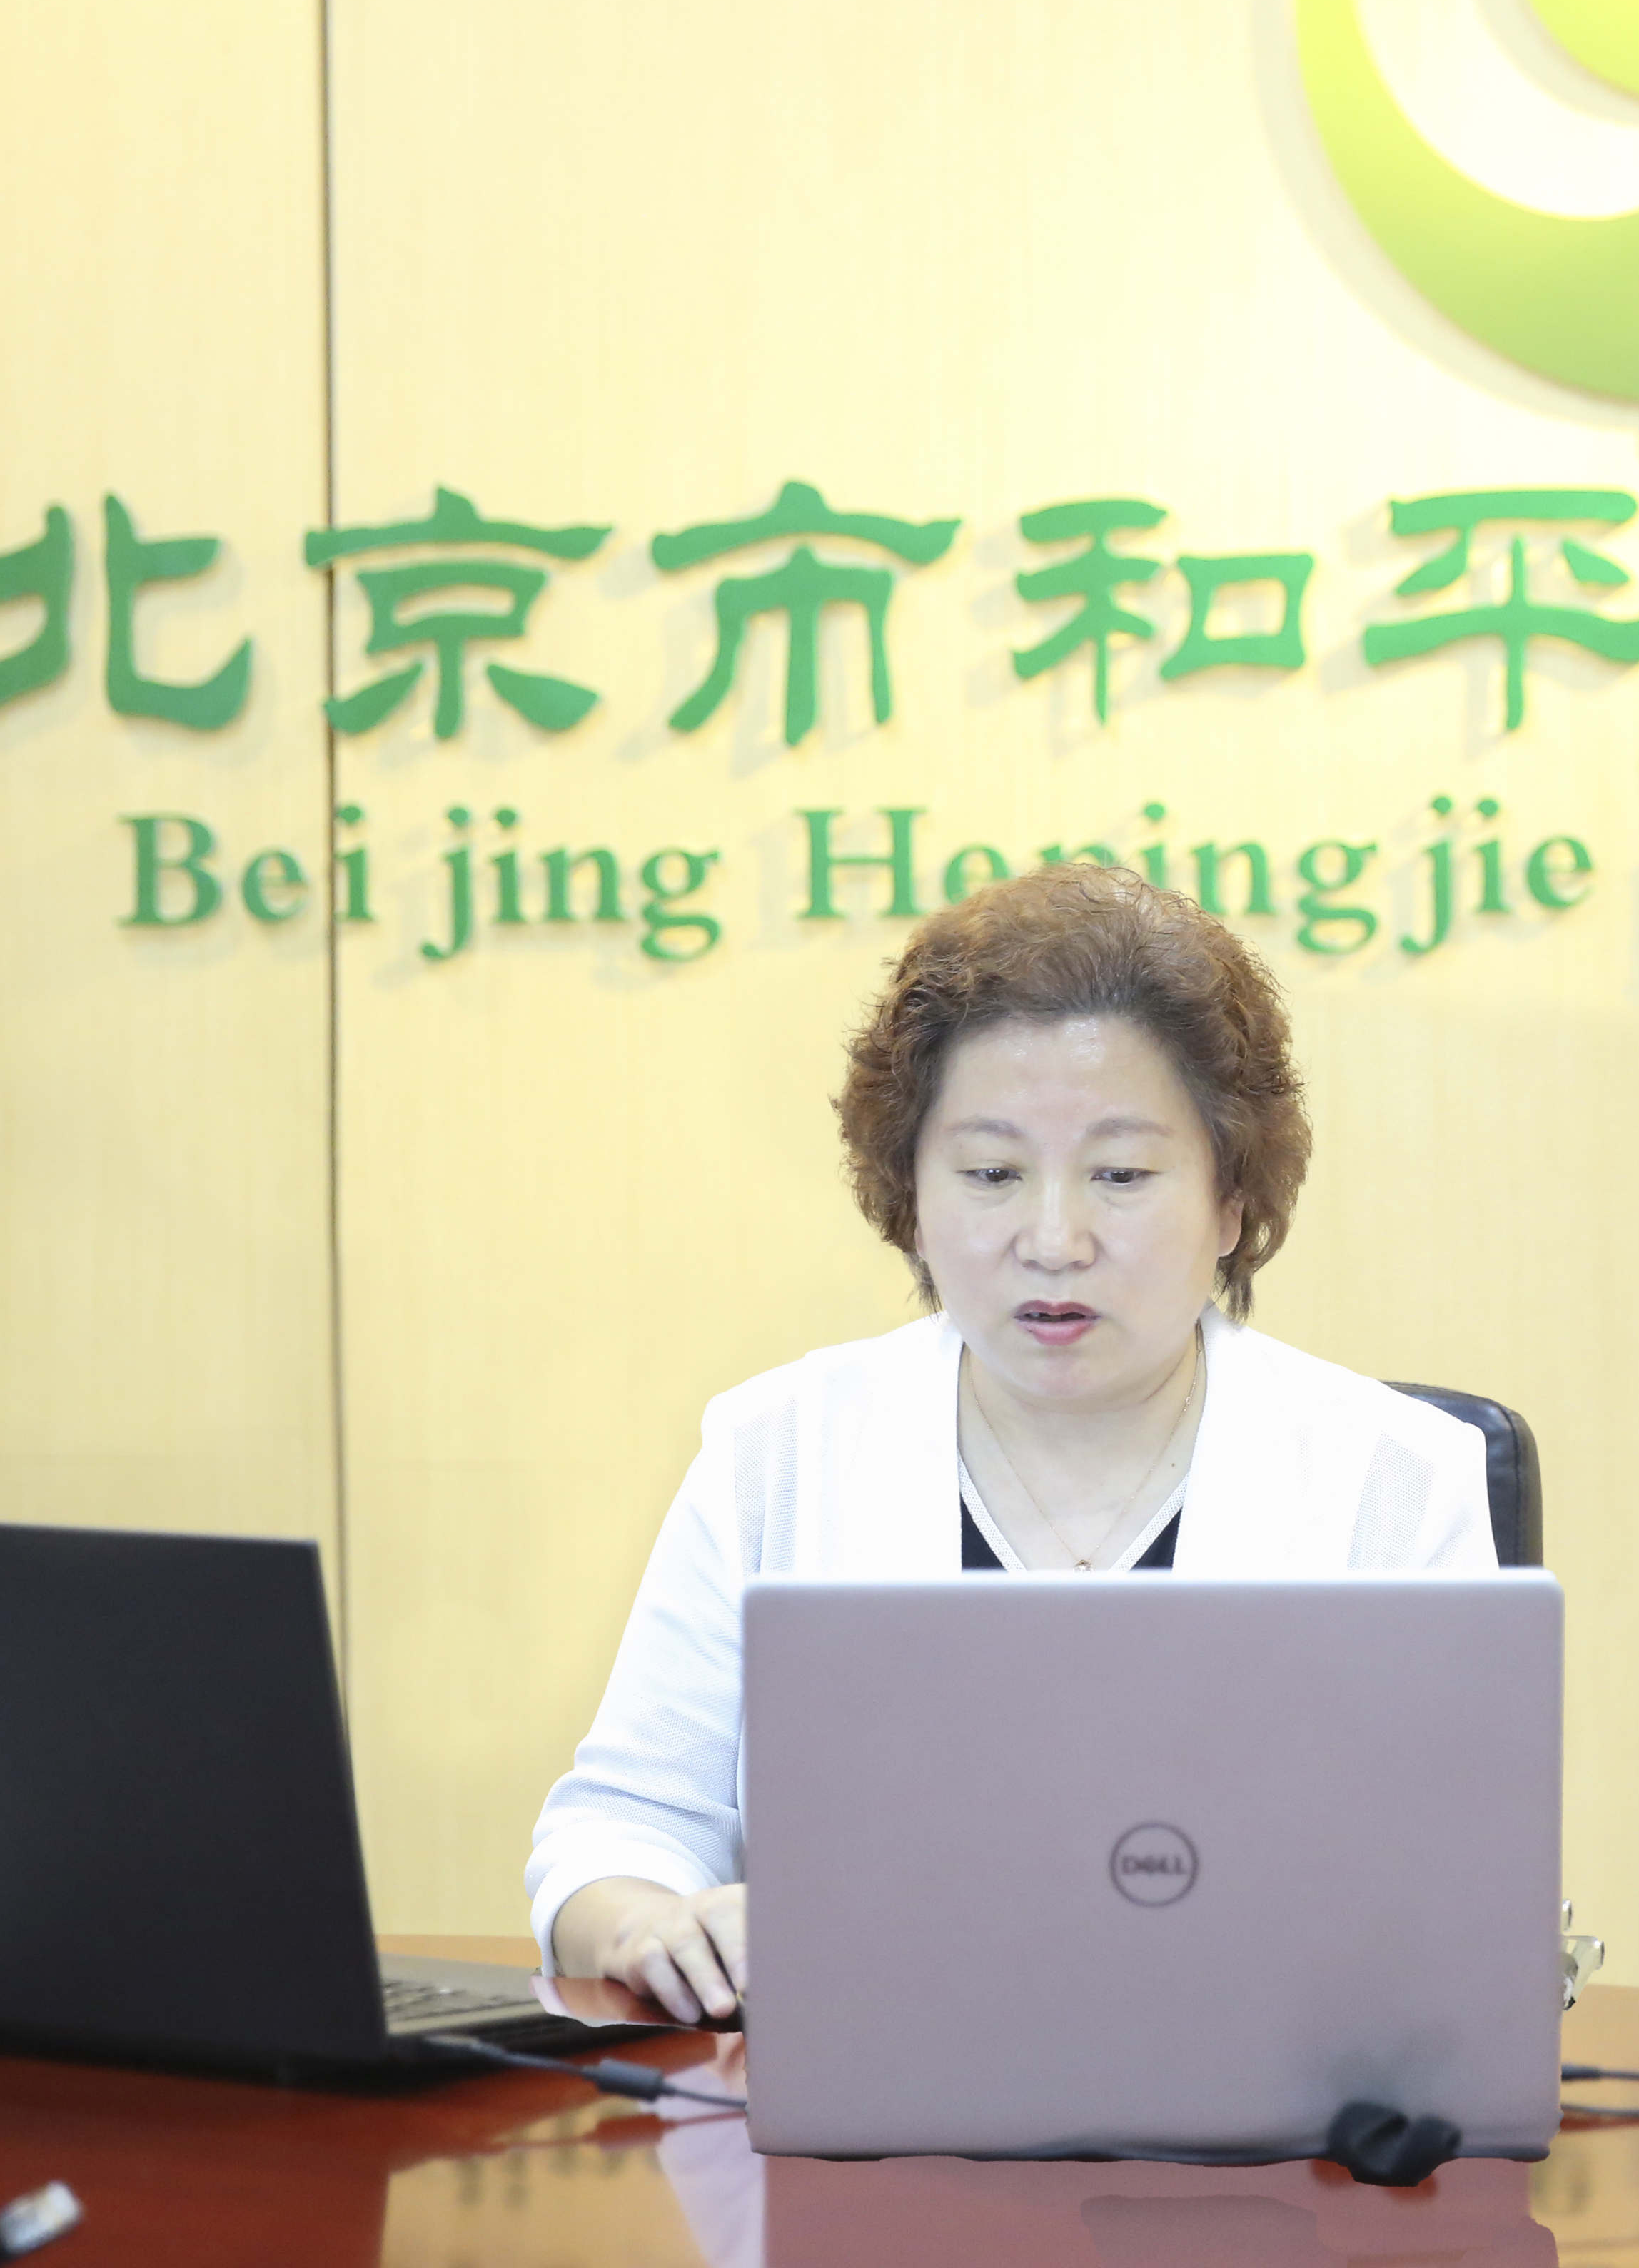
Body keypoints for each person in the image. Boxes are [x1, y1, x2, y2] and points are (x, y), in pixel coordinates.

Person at [528, 861, 1496, 2022]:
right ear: (910, 1197)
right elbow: (621, 1825)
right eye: (991, 1173)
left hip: (1270, 2107)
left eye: (1121, 1175)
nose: (1053, 1238)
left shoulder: (1395, 1479)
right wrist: (649, 1922)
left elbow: (1461, 1891)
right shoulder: (776, 1452)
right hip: (864, 2102)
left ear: (1232, 1202)